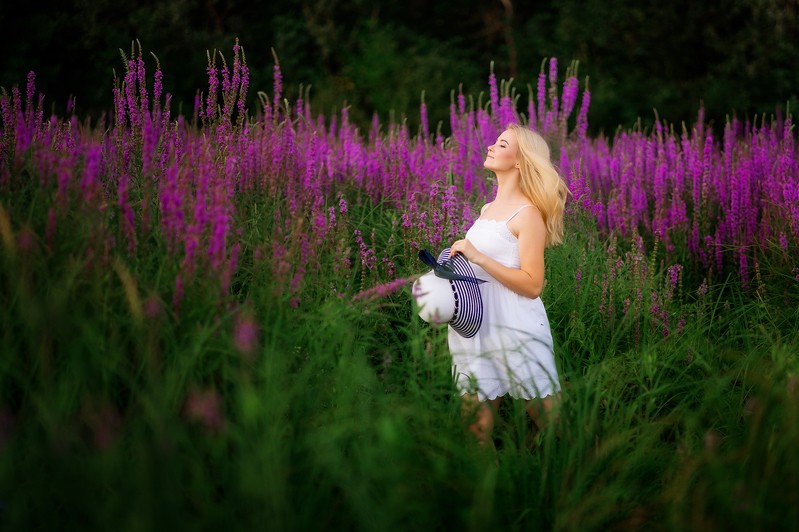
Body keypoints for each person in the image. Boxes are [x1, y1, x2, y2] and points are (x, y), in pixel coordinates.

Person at [448, 123, 569, 447]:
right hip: (479, 325)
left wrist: (478, 256)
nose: (490, 146)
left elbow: (532, 285)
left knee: (551, 423)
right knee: (474, 429)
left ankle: (586, 471)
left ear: (519, 161)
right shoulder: (488, 209)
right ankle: (488, 492)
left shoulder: (528, 214)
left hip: (517, 327)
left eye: (501, 144)